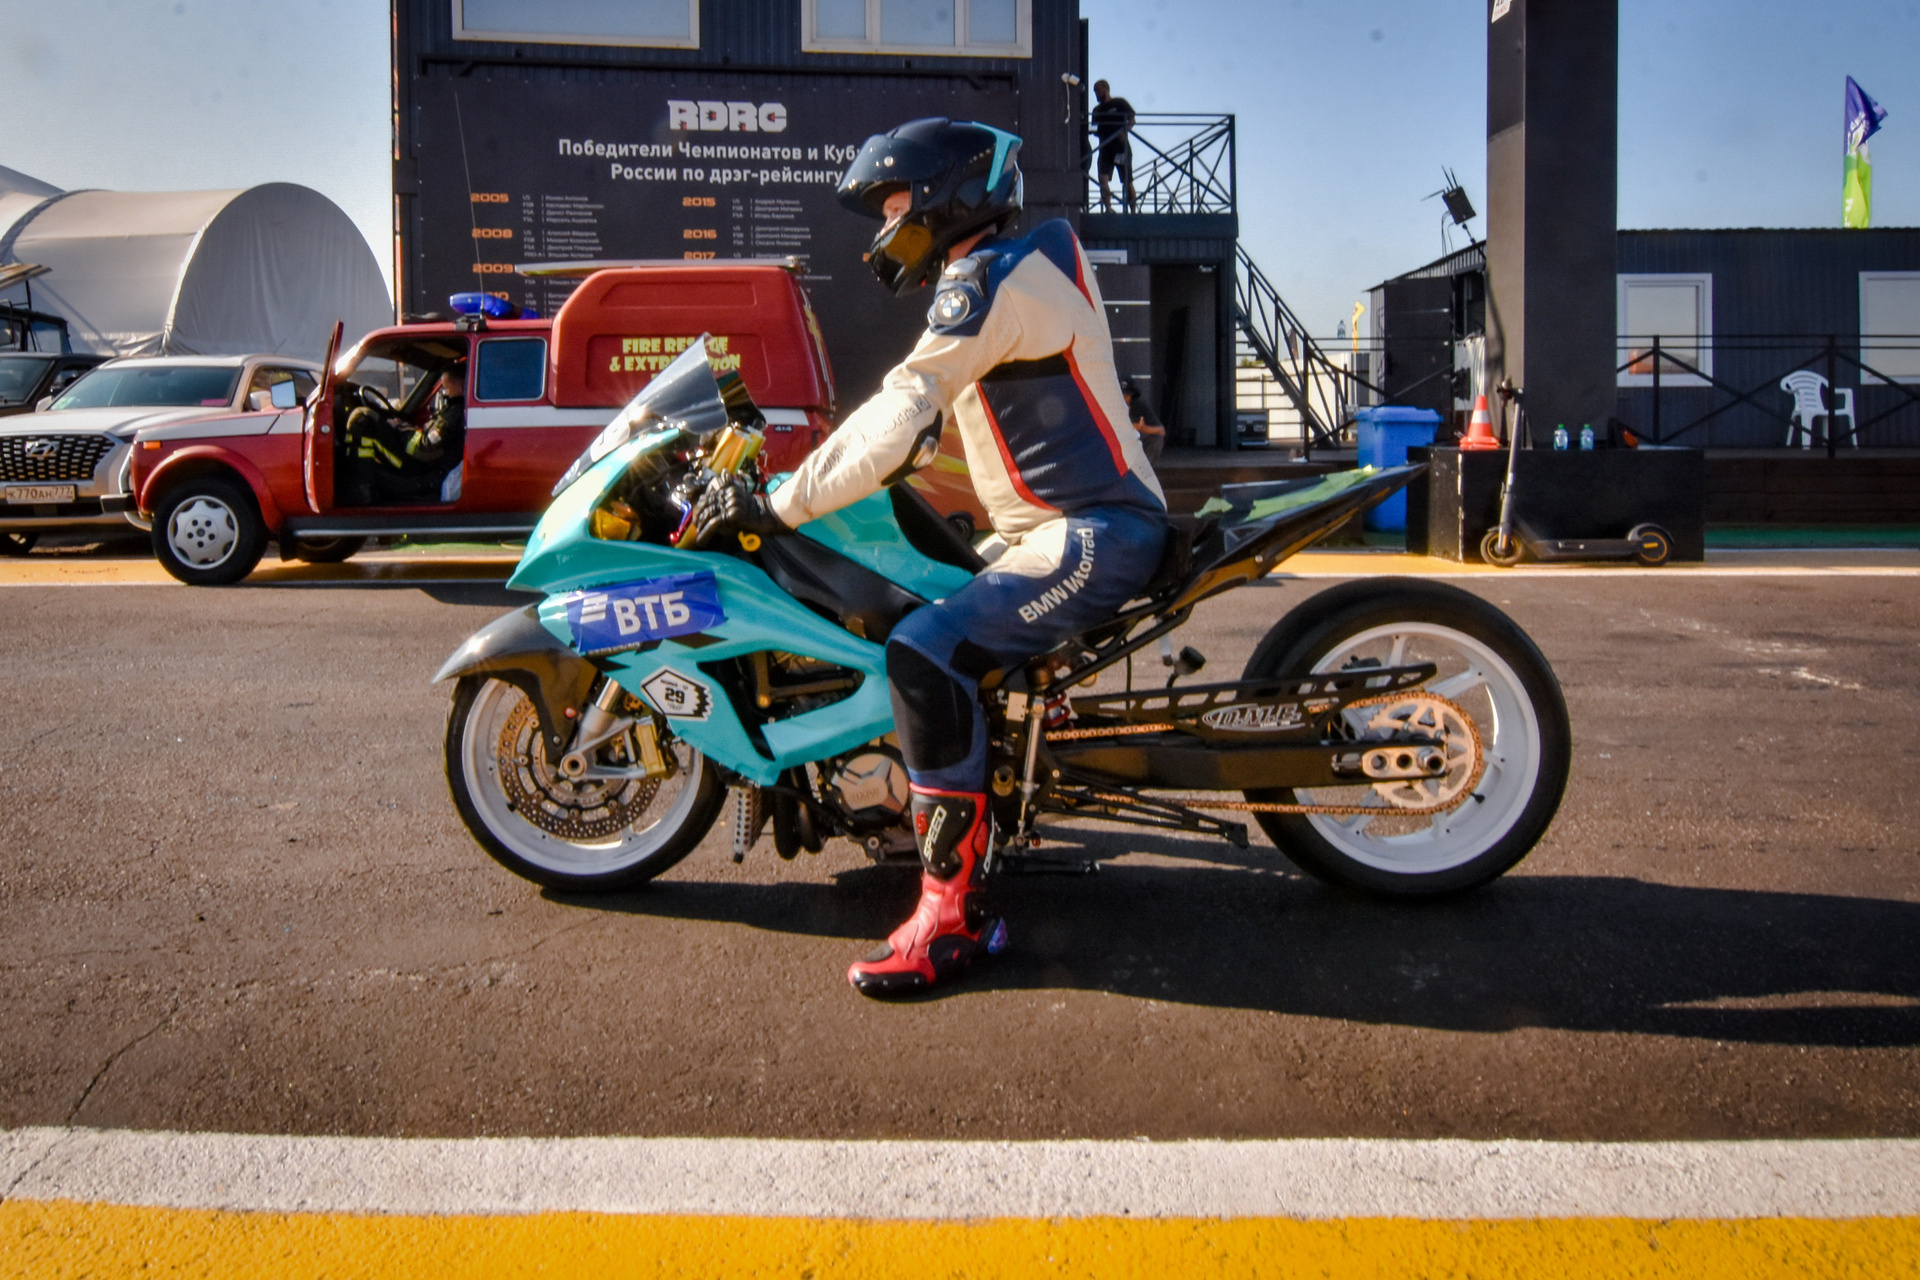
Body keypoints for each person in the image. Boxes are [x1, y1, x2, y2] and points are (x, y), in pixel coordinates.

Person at [697, 117, 1168, 999]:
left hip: (1094, 529)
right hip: (1060, 523)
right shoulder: (1023, 263)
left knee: (923, 650)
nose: (886, 226)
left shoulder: (987, 279)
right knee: (925, 590)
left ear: (949, 193)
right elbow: (929, 421)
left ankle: (953, 917)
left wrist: (779, 502)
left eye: (895, 205)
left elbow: (905, 404)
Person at [1090, 81, 1137, 213]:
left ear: (1106, 89)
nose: (1096, 94)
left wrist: (1125, 131)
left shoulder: (1119, 103)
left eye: (1098, 90)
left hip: (1121, 147)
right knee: (1102, 178)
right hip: (1105, 148)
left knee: (1126, 180)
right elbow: (1094, 128)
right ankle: (1108, 208)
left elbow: (1132, 119)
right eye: (1095, 91)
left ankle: (1133, 210)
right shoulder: (1097, 110)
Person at [1122, 378, 1165, 461]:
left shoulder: (1138, 405)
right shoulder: (1112, 407)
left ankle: (1143, 466)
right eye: (1121, 395)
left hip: (1138, 442)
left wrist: (1143, 428)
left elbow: (1160, 430)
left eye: (1127, 395)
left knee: (1156, 439)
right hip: (1121, 443)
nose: (1124, 398)